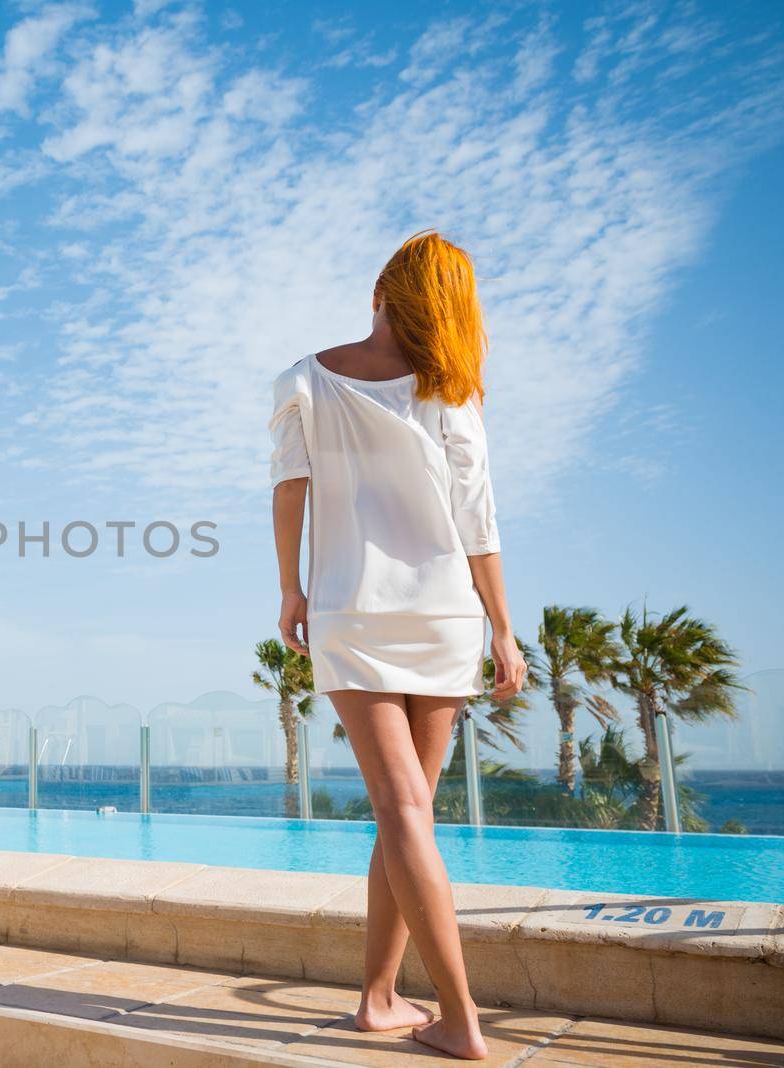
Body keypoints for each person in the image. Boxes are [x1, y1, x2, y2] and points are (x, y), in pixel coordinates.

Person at [268, 230, 526, 1060]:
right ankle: (379, 997)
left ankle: (460, 1019)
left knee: (401, 809)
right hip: (447, 615)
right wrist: (503, 630)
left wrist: (291, 590)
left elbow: (288, 492)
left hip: (353, 607)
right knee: (407, 813)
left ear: (382, 292)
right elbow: (478, 525)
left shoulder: (302, 379)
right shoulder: (454, 394)